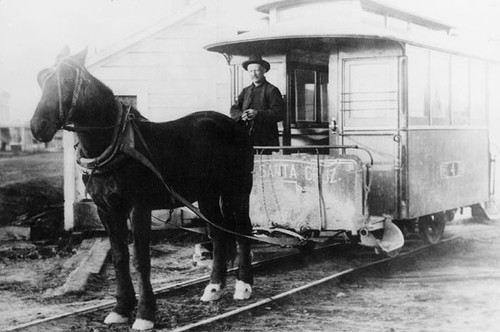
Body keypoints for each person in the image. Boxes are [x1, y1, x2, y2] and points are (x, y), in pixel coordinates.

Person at [230, 55, 285, 154]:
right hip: (246, 137)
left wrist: (257, 114)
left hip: (265, 138)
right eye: (251, 71)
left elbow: (279, 113)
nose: (253, 74)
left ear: (264, 71)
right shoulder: (246, 90)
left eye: (256, 70)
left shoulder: (272, 90)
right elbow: (234, 109)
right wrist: (242, 115)